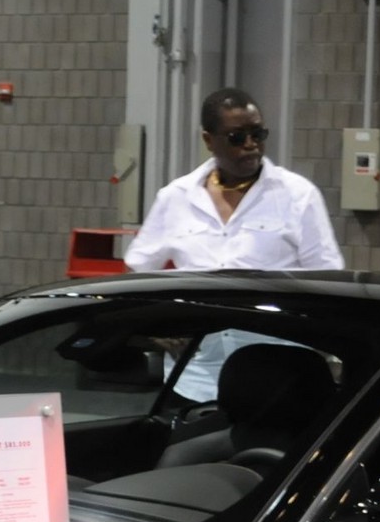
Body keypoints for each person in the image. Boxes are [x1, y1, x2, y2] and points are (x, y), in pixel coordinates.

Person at [124, 88, 344, 398]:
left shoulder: (297, 195)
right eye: (237, 137)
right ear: (208, 140)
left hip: (279, 377)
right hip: (195, 380)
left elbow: (328, 282)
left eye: (258, 133)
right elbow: (139, 275)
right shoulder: (176, 198)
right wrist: (159, 329)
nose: (251, 146)